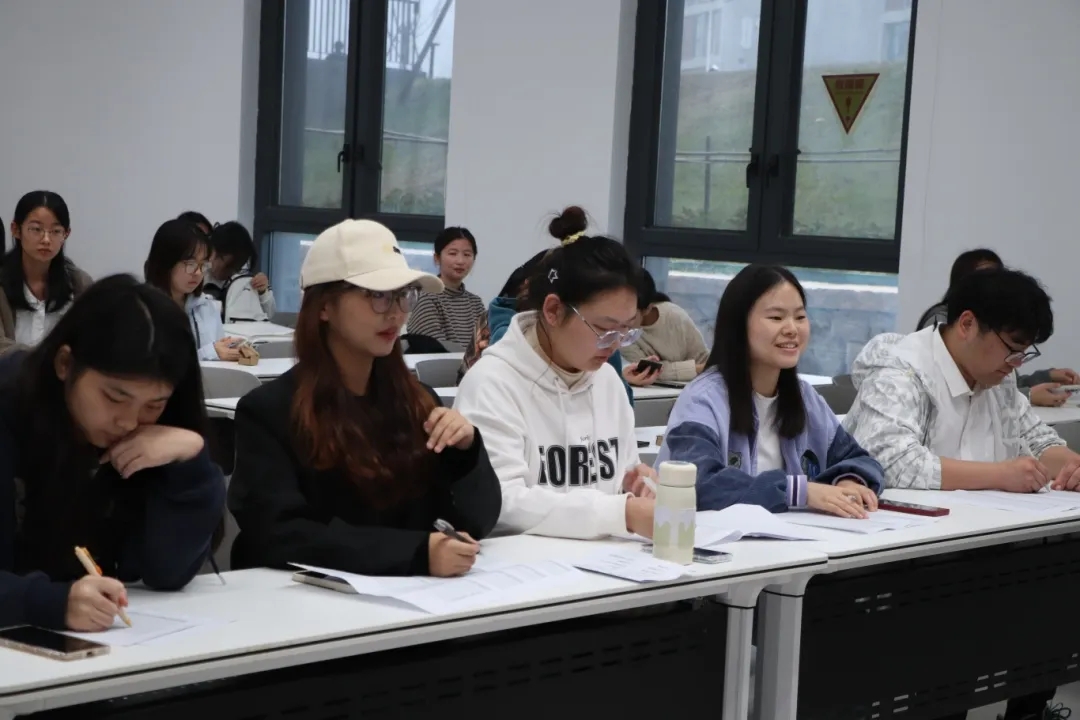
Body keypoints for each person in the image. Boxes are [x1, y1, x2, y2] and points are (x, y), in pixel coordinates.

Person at [847, 272, 1076, 719]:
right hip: (899, 560)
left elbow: (1035, 438)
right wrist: (999, 475)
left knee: (1054, 586)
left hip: (972, 549)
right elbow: (892, 462)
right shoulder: (902, 369)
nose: (1016, 362)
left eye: (1025, 352)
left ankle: (1028, 708)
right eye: (1012, 348)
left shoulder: (997, 379)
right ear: (968, 324)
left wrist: (1069, 464)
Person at [227, 219, 501, 577]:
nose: (396, 312)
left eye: (403, 295)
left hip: (416, 599)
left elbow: (478, 522)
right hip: (306, 601)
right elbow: (280, 534)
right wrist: (415, 554)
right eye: (377, 295)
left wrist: (467, 453)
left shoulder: (418, 403)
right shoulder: (270, 412)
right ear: (324, 306)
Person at [0, 274, 225, 631]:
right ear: (65, 364)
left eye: (154, 404)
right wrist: (49, 602)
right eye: (114, 398)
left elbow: (166, 573)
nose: (129, 422)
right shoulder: (10, 403)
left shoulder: (152, 436)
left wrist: (190, 462)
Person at [454, 206, 656, 539]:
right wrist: (619, 513)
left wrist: (633, 486)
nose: (615, 345)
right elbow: (503, 502)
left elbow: (621, 477)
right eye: (604, 329)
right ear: (553, 310)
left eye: (626, 330)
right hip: (522, 564)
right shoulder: (492, 383)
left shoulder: (608, 381)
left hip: (605, 563)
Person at [658, 265, 883, 515]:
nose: (792, 329)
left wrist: (849, 480)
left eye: (800, 317)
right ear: (739, 325)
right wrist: (800, 491)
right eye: (776, 318)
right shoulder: (703, 399)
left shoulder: (805, 398)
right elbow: (700, 485)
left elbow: (858, 459)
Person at [917, 249, 1079, 408]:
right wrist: (1028, 395)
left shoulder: (991, 359)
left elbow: (1007, 387)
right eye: (985, 277)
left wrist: (1046, 376)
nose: (1016, 364)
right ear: (967, 324)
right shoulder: (914, 379)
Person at [0, 191, 93, 352]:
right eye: (36, 229)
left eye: (56, 231)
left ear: (66, 234)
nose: (46, 240)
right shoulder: (2, 283)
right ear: (16, 230)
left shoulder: (79, 283)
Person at [144, 219, 241, 361]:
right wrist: (209, 353)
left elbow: (220, 358)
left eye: (203, 265)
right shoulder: (143, 310)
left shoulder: (206, 307)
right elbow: (149, 366)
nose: (198, 273)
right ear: (166, 262)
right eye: (191, 264)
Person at [621, 269, 710, 387]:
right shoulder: (622, 333)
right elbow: (646, 371)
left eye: (629, 313)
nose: (620, 320)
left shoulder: (674, 316)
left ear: (647, 309)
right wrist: (695, 368)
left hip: (697, 385)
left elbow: (706, 362)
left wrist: (698, 369)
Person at [406, 227, 486, 349]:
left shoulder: (476, 303)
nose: (460, 261)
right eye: (452, 253)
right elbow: (435, 348)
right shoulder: (427, 298)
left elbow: (486, 344)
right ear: (437, 258)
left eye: (467, 254)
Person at [204, 221, 276, 323]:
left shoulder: (249, 281)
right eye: (219, 258)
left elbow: (270, 313)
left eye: (232, 266)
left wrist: (263, 292)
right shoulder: (201, 276)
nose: (224, 270)